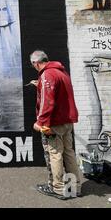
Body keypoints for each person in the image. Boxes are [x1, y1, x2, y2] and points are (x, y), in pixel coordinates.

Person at [30, 50, 83, 200]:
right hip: (67, 121)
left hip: (54, 123)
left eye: (33, 64)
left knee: (55, 154)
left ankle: (58, 188)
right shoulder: (61, 72)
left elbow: (48, 102)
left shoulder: (48, 75)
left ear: (36, 63)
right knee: (69, 152)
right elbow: (58, 94)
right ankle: (74, 188)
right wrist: (40, 85)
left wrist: (40, 123)